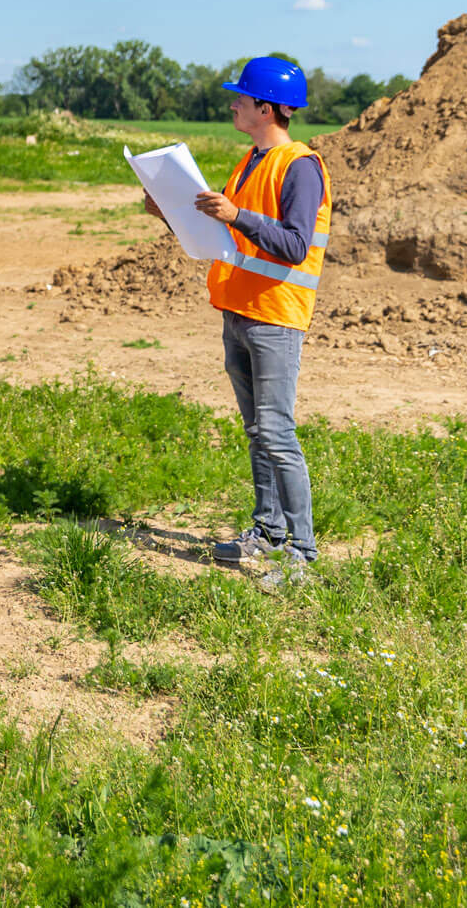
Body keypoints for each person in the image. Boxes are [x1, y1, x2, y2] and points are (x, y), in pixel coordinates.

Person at [143, 55, 331, 586]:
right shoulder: (251, 159)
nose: (233, 104)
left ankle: (303, 554)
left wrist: (236, 214)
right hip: (240, 309)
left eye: (241, 98)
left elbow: (293, 245)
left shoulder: (300, 165)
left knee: (276, 431)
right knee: (257, 431)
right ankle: (268, 534)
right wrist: (175, 212)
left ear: (265, 108)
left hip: (275, 315)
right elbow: (231, 238)